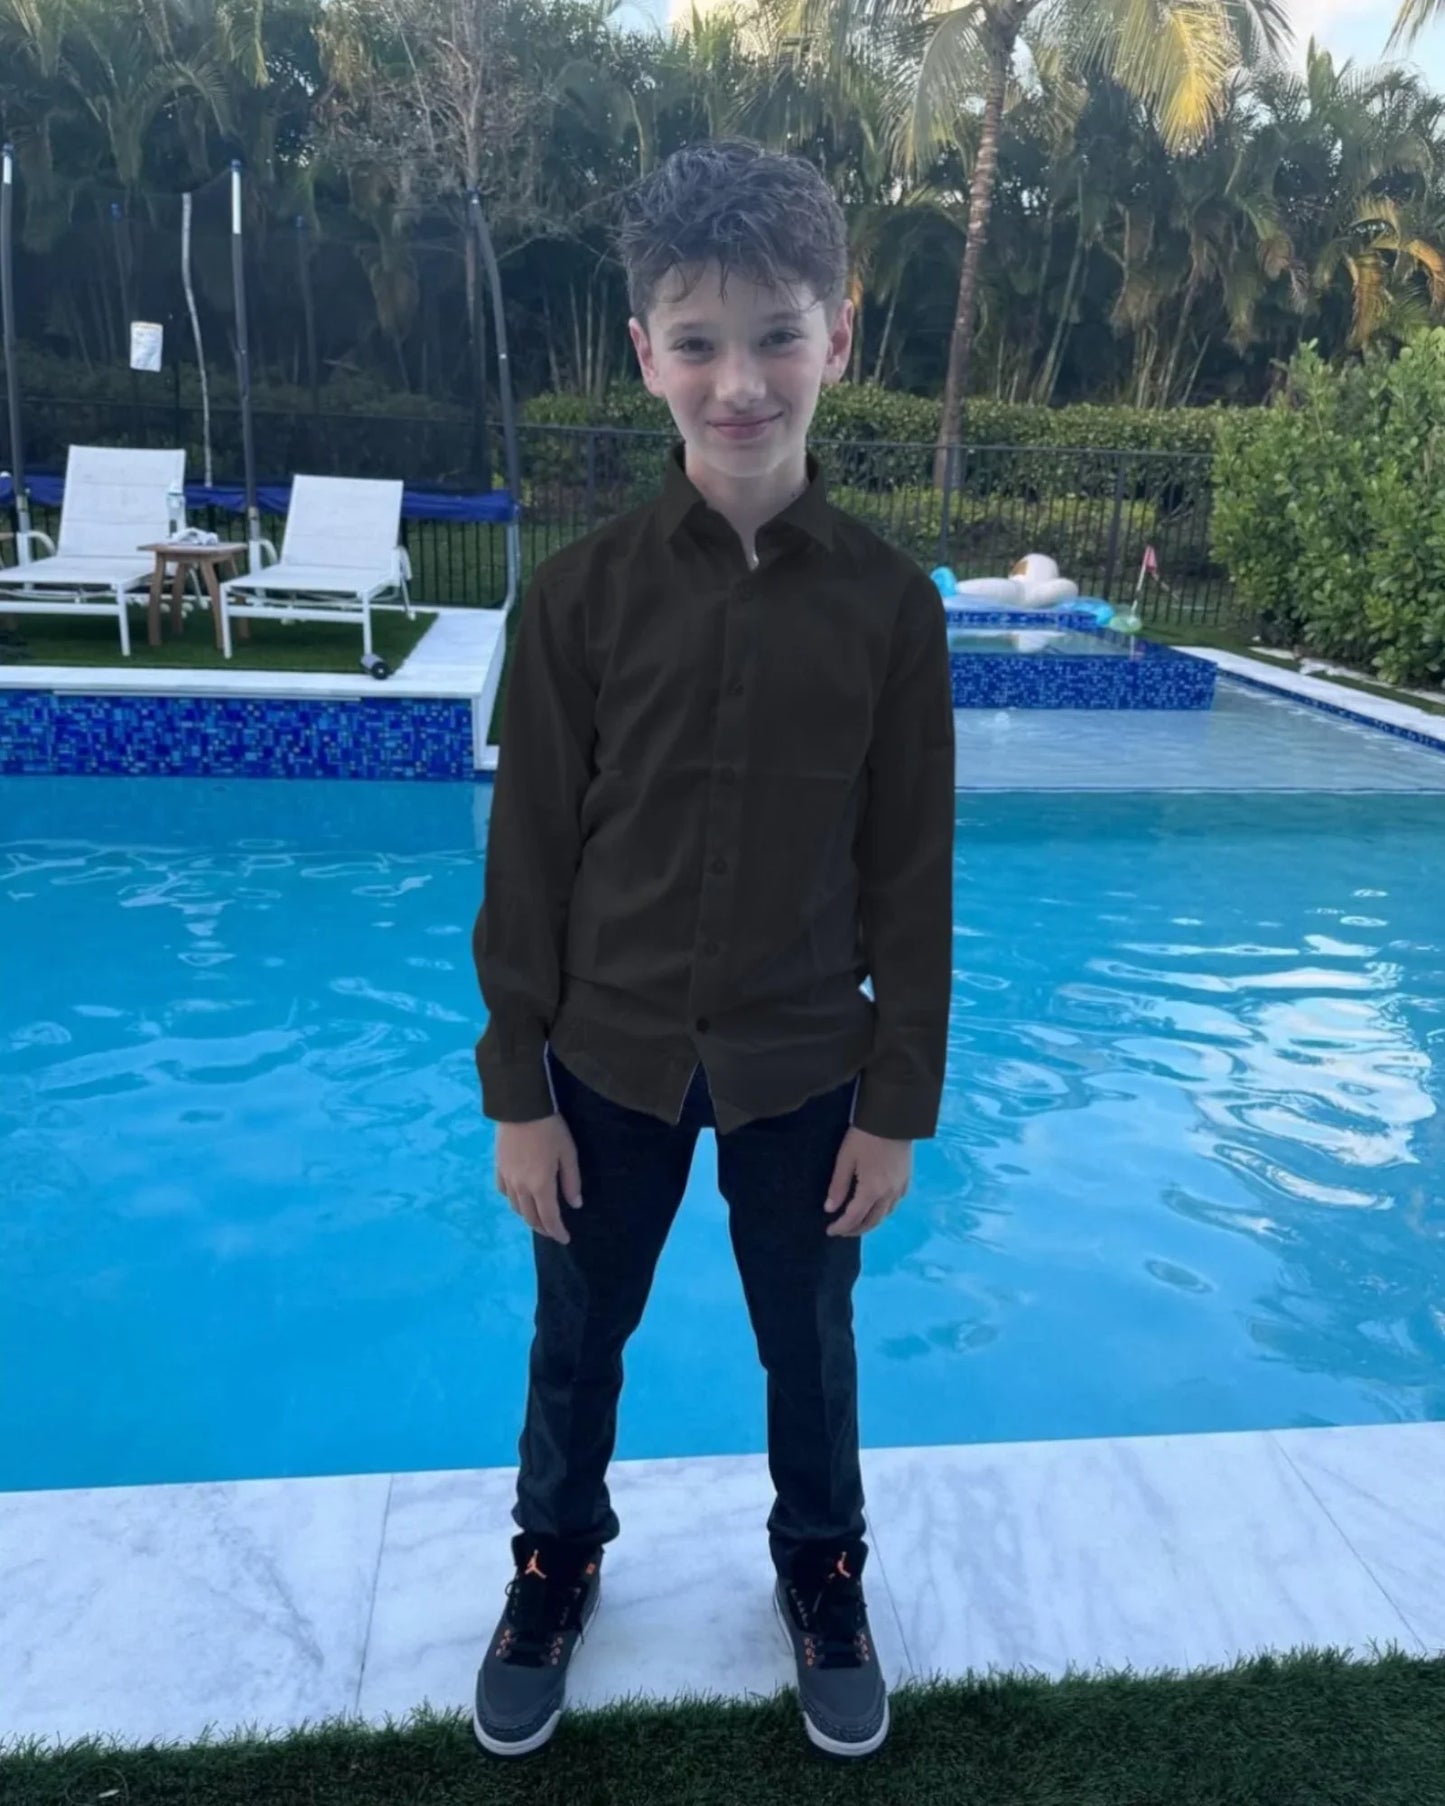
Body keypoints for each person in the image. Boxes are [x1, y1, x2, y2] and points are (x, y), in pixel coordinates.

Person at [470, 137, 955, 1761]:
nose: (738, 381)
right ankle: (553, 1565)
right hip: (600, 1054)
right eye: (697, 340)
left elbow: (910, 871)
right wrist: (513, 1088)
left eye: (775, 333)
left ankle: (821, 1576)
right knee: (575, 1337)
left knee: (807, 1347)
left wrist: (896, 1101)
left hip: (804, 1063)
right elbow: (527, 857)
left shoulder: (891, 608)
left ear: (841, 334)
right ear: (644, 356)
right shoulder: (581, 599)